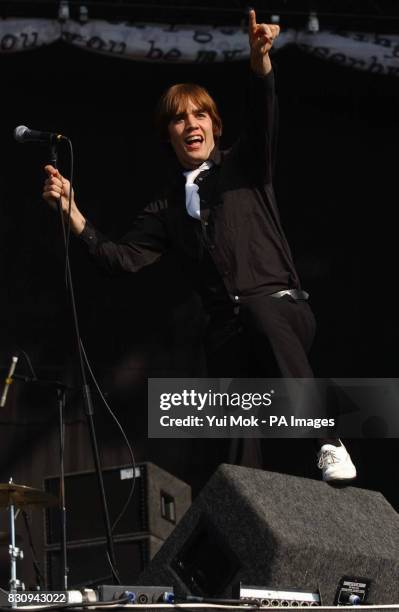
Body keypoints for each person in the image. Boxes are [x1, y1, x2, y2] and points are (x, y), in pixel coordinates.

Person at [42, 10, 356, 483]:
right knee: (233, 440)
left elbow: (263, 112)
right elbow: (122, 259)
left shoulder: (245, 167)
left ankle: (328, 441)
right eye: (179, 118)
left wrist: (259, 62)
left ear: (215, 126)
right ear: (168, 134)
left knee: (258, 312)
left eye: (200, 113)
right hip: (230, 332)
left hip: (281, 311)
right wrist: (73, 213)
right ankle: (245, 520)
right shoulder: (167, 205)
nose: (191, 122)